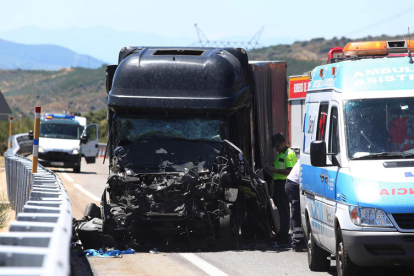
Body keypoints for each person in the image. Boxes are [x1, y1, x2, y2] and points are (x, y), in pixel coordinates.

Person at [265, 133, 297, 247]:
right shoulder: (281, 153)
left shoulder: (289, 154)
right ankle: (280, 234)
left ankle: (284, 236)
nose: (275, 149)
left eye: (277, 146)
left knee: (283, 211)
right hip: (278, 184)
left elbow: (290, 171)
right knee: (278, 210)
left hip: (284, 184)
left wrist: (275, 170)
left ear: (284, 143)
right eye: (274, 147)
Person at [285, 162, 306, 251]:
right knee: (296, 212)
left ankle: (297, 240)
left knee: (297, 212)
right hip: (294, 185)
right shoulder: (307, 160)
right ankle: (297, 242)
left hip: (293, 183)